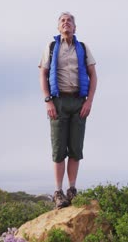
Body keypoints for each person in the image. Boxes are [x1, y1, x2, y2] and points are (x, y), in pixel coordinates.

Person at [38, 12, 98, 209]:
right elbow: (43, 74)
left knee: (75, 148)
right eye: (63, 21)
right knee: (58, 150)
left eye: (69, 21)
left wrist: (89, 101)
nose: (66, 24)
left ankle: (72, 190)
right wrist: (48, 101)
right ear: (58, 28)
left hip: (78, 102)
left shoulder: (83, 47)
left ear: (75, 27)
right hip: (58, 102)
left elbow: (93, 75)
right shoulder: (51, 47)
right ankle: (58, 192)